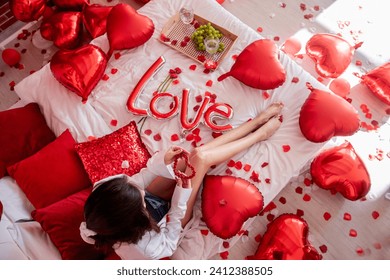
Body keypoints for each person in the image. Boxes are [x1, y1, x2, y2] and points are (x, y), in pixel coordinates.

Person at [79, 102, 284, 259]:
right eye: (140, 199)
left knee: (196, 154)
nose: (140, 191)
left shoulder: (104, 190)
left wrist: (163, 163)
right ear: (137, 217)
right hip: (168, 221)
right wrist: (180, 196)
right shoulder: (146, 249)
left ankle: (256, 123)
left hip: (149, 204)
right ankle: (259, 134)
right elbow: (170, 240)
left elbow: (140, 180)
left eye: (134, 190)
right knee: (202, 160)